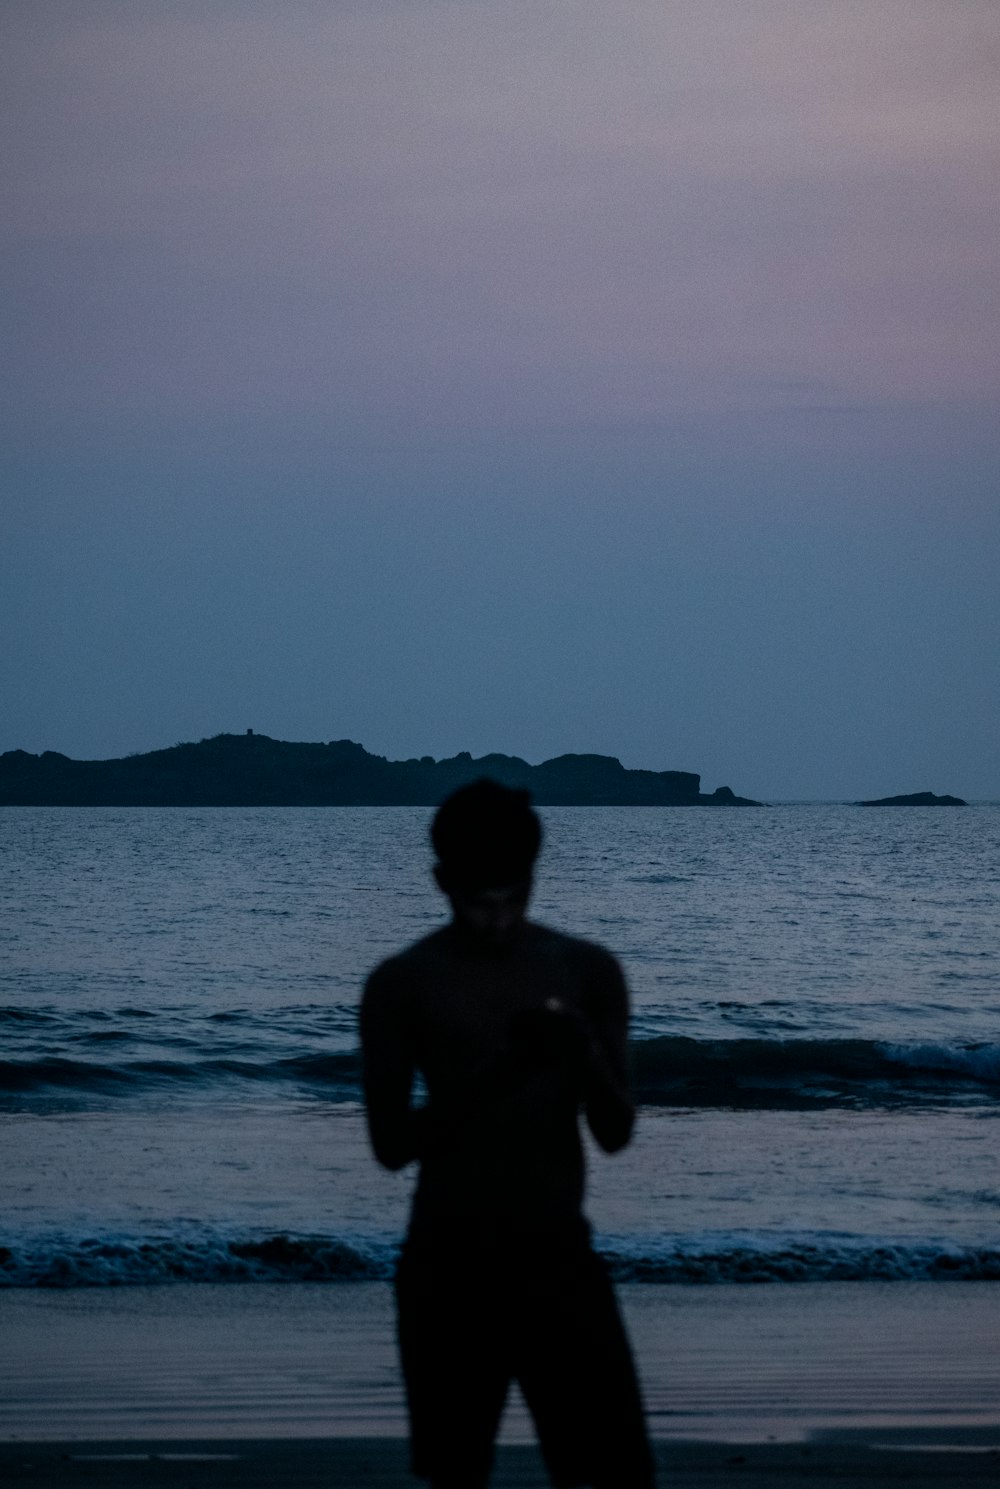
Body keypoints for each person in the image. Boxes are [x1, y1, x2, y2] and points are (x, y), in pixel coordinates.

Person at [360, 779, 655, 1489]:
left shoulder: (586, 970)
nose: (496, 921)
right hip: (447, 1261)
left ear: (532, 880)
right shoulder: (403, 982)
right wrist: (505, 1069)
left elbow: (615, 1132)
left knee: (613, 1473)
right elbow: (391, 1143)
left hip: (558, 1254)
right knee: (457, 1473)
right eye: (476, 902)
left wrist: (583, 1054)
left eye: (510, 899)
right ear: (441, 883)